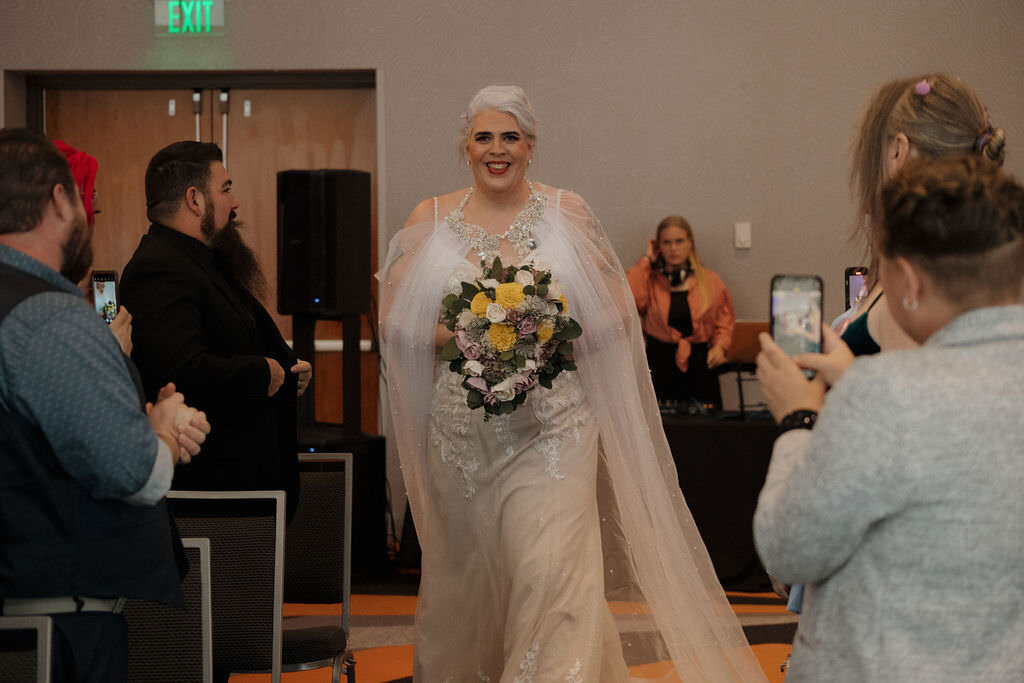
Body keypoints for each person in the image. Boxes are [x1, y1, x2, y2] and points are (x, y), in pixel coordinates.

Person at [378, 85, 766, 681]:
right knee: (468, 586)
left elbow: (615, 316)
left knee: (551, 575)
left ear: (531, 145)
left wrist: (543, 332)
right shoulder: (427, 220)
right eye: (484, 137)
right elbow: (398, 322)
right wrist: (473, 330)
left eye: (510, 137)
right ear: (466, 145)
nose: (497, 150)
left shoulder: (569, 213)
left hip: (554, 428)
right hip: (462, 434)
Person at [753, 155, 1024, 682]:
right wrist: (855, 380)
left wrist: (799, 421)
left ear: (911, 280)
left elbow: (791, 551)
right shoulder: (881, 392)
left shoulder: (887, 396)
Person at [0, 128, 210, 682]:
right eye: (82, 199)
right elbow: (134, 472)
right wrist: (162, 430)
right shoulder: (51, 316)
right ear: (57, 199)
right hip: (57, 625)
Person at [120, 141, 311, 519]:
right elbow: (179, 369)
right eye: (225, 189)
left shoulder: (202, 259)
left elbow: (235, 335)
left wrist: (287, 368)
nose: (235, 201)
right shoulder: (159, 268)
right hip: (214, 496)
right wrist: (263, 371)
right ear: (195, 199)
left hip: (246, 485)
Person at [838, 72, 1007, 354]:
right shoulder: (969, 270)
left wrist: (805, 396)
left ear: (898, 153)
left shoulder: (912, 288)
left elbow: (906, 396)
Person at [627, 215, 734, 409]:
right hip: (659, 364)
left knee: (706, 432)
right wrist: (646, 260)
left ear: (690, 243)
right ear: (658, 246)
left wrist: (721, 347)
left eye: (679, 241)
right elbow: (628, 301)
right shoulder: (649, 281)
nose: (673, 248)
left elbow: (724, 322)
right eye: (666, 242)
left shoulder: (710, 280)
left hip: (700, 366)